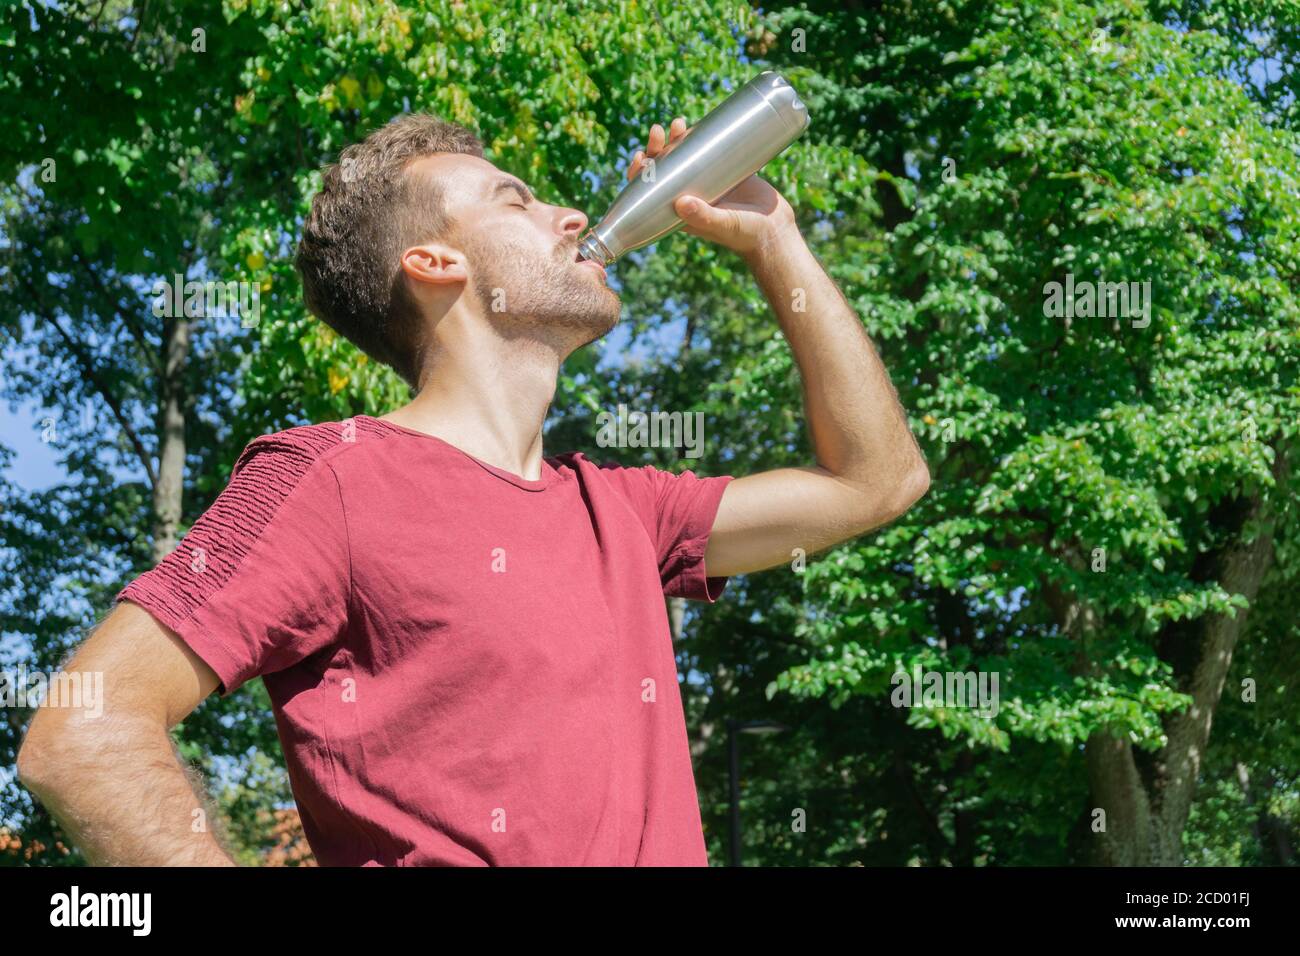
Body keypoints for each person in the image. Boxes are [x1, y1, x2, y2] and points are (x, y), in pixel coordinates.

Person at [17, 113, 930, 866]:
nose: (572, 215)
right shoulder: (331, 479)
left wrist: (775, 239)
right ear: (434, 263)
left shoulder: (625, 512)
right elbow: (82, 737)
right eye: (515, 200)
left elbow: (876, 480)